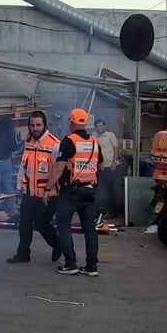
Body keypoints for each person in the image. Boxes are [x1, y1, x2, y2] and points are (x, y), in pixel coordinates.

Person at [49, 108, 101, 276]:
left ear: (71, 122)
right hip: (90, 189)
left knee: (63, 224)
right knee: (89, 227)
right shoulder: (94, 141)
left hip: (71, 190)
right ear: (85, 123)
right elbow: (100, 166)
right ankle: (92, 266)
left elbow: (59, 167)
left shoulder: (68, 141)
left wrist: (48, 188)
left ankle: (71, 263)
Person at [6, 110, 62, 264]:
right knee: (24, 224)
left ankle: (57, 244)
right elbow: (24, 166)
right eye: (32, 125)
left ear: (45, 125)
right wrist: (19, 185)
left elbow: (59, 169)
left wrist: (50, 190)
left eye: (38, 125)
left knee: (42, 223)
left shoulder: (55, 144)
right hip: (29, 192)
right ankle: (23, 253)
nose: (35, 128)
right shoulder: (29, 141)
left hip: (48, 194)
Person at [93, 118, 120, 218]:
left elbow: (116, 149)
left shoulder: (110, 135)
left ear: (104, 126)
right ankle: (97, 211)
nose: (99, 128)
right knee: (98, 189)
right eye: (97, 126)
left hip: (109, 166)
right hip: (98, 167)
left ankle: (112, 212)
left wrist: (114, 162)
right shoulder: (93, 136)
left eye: (101, 126)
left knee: (110, 189)